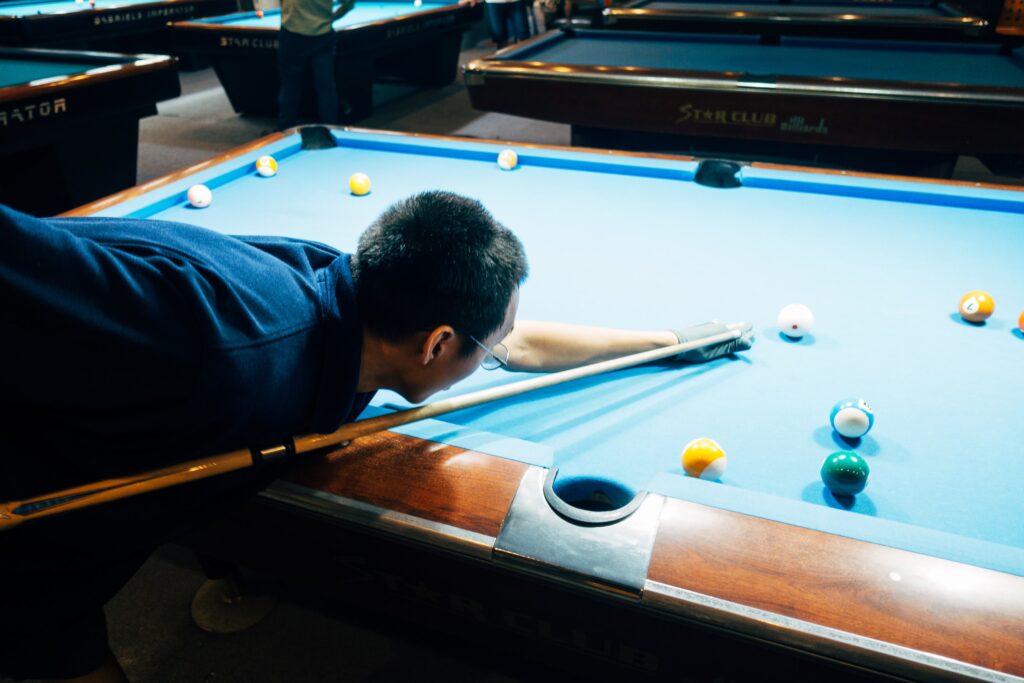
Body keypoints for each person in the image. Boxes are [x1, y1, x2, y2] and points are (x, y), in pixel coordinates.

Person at [0, 191, 752, 682]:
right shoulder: (219, 341)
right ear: (436, 346)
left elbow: (518, 345)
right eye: (480, 351)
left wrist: (669, 340)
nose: (497, 355)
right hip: (33, 541)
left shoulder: (353, 290)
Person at [276, 0, 356, 131]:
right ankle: (331, 130)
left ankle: (284, 131)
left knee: (290, 86)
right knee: (326, 87)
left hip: (291, 34)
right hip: (322, 35)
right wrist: (330, 19)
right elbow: (349, 3)